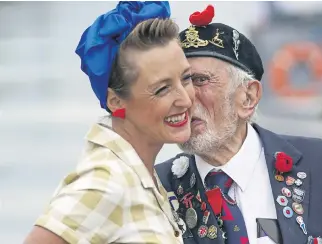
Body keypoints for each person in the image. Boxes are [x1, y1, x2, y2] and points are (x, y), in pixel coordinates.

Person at [155, 4, 322, 244]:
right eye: (175, 86)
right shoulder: (155, 191)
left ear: (248, 97)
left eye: (200, 81)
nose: (183, 98)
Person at [24, 1, 195, 244]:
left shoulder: (139, 174)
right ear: (115, 101)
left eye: (186, 78)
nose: (185, 99)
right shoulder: (108, 181)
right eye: (162, 89)